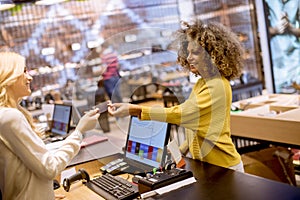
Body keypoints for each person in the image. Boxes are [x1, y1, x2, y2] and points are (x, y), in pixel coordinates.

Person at [108, 20, 245, 172]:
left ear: (213, 55)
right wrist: (181, 150)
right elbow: (198, 128)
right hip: (208, 167)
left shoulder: (218, 85)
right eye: (189, 52)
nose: (189, 58)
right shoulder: (202, 83)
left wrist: (134, 110)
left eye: (196, 52)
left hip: (225, 167)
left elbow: (184, 114)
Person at [0, 51, 100, 200]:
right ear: (9, 76)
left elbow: (24, 168)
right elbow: (50, 168)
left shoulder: (8, 114)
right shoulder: (10, 117)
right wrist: (79, 131)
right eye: (24, 71)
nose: (30, 77)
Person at [264, 0, 300, 93]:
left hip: (295, 58)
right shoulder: (267, 2)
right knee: (278, 95)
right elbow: (259, 29)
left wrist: (291, 28)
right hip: (275, 60)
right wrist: (274, 30)